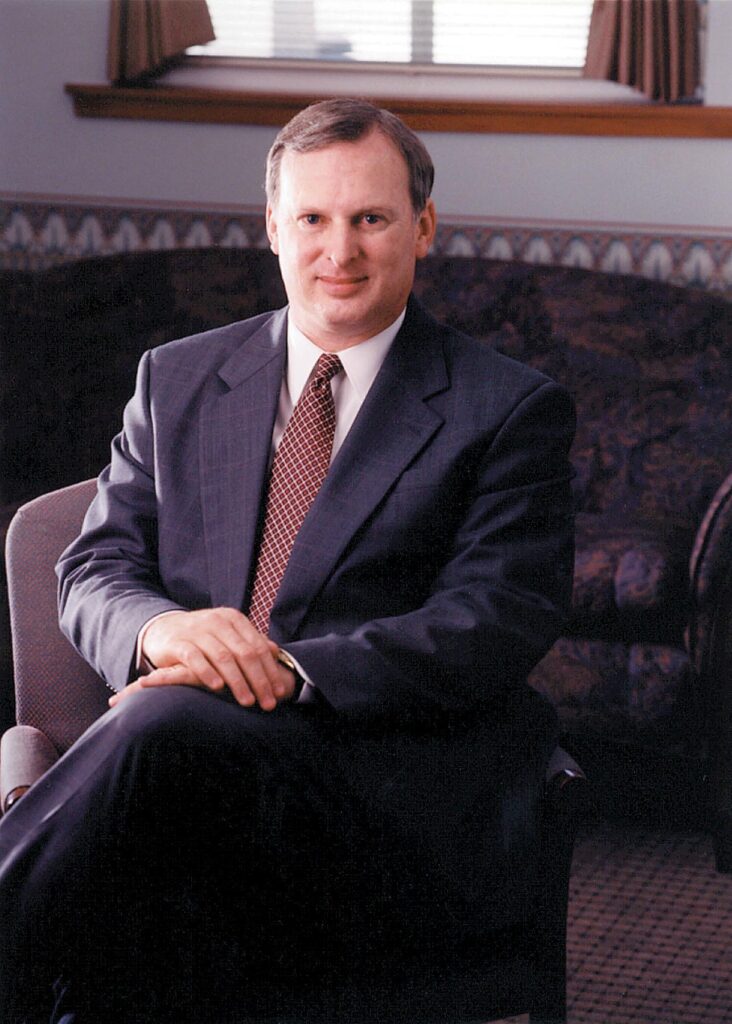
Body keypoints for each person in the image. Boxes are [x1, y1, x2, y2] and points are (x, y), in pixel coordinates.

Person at [0, 98, 575, 1024]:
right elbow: (95, 564)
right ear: (272, 227)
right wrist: (164, 631)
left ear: (422, 228)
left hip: (372, 792)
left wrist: (278, 672)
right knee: (161, 779)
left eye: (371, 219)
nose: (337, 251)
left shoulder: (509, 409)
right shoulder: (177, 377)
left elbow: (496, 617)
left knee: (165, 729)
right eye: (311, 218)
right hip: (179, 779)